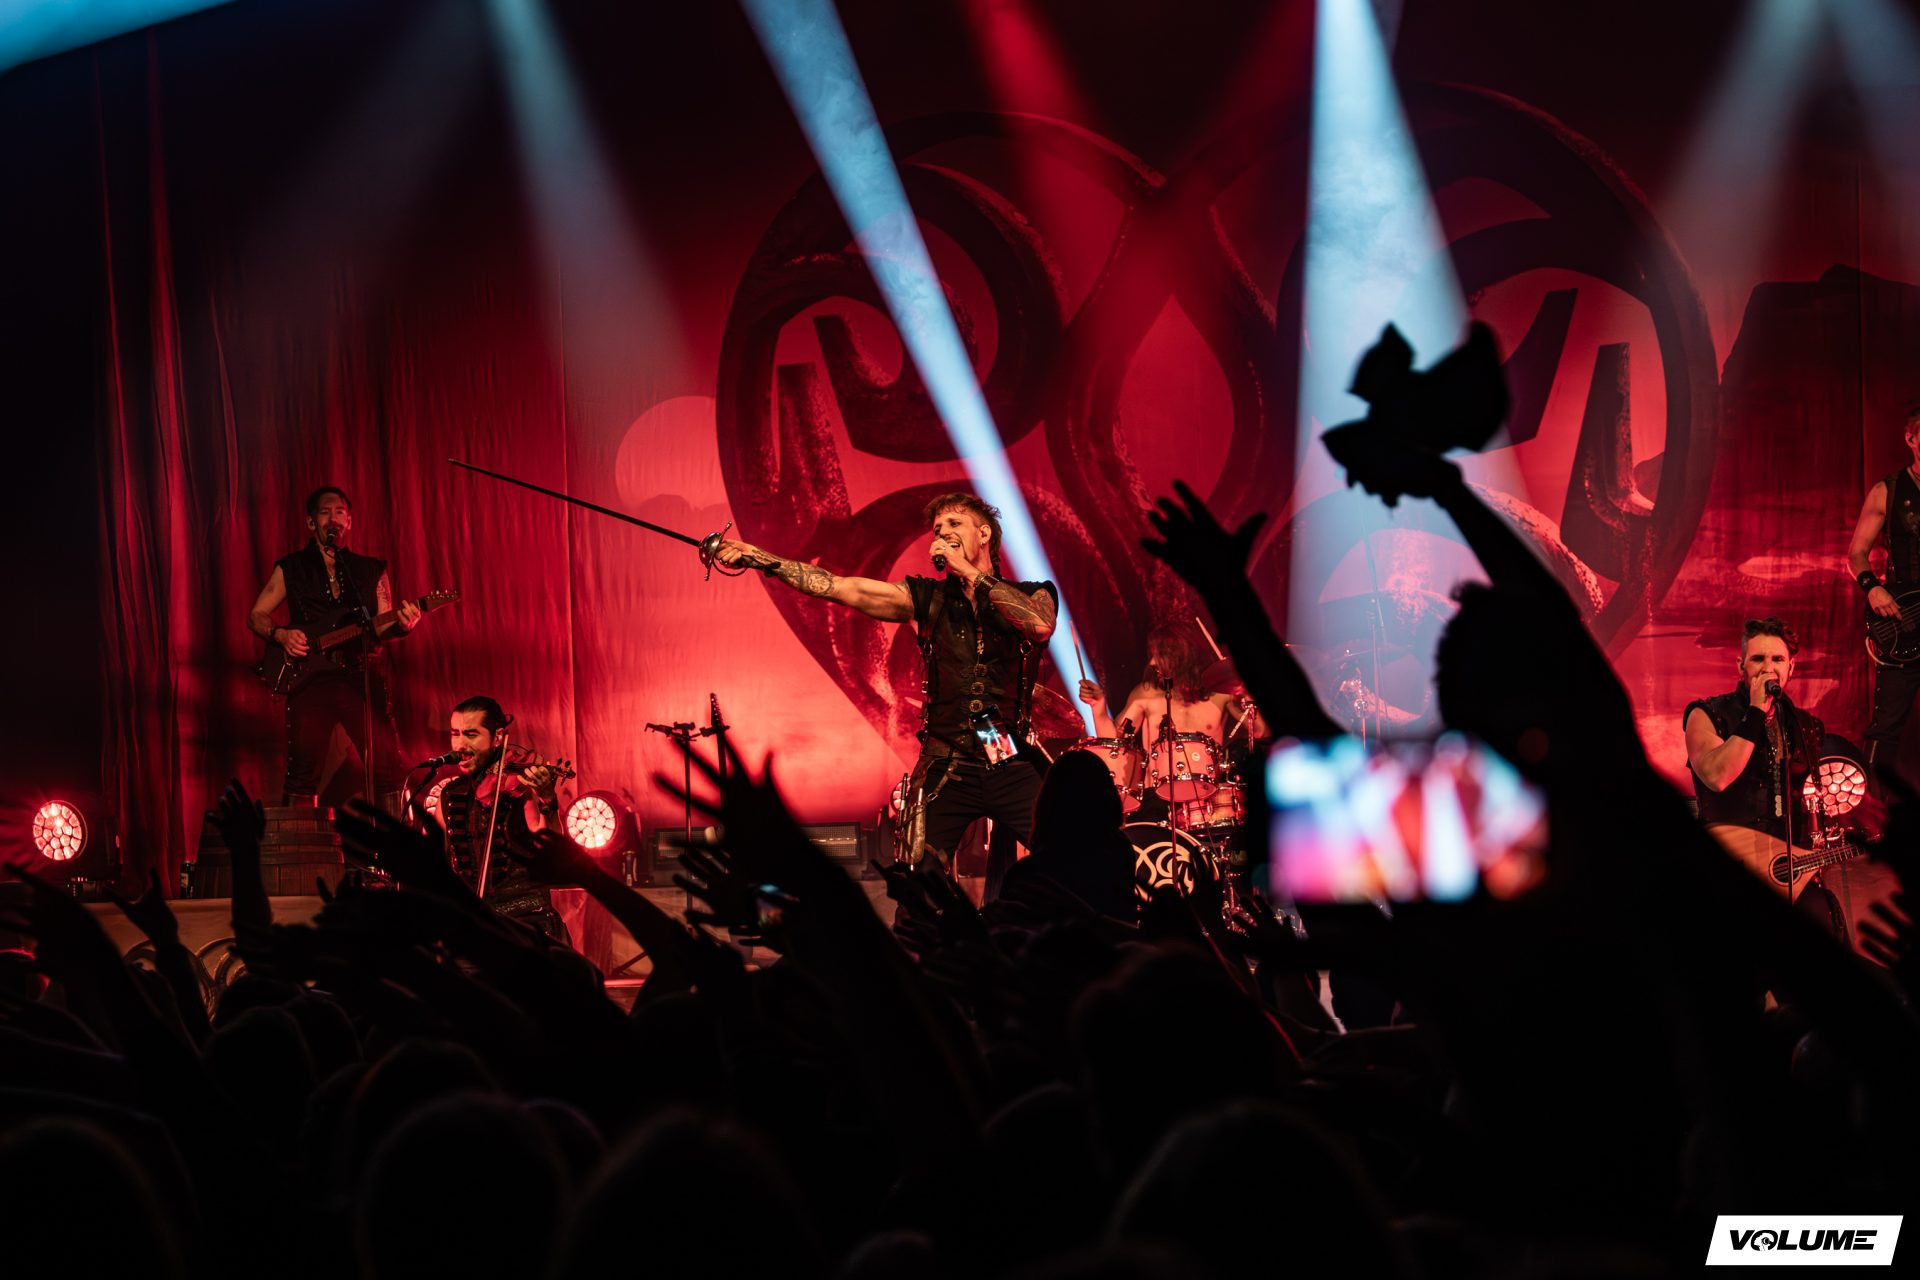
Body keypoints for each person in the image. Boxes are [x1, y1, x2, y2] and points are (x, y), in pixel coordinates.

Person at [714, 493, 1056, 871]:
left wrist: (971, 573)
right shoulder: (925, 597)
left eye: (954, 524)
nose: (942, 533)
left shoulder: (1033, 593)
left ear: (984, 534)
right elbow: (837, 586)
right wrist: (761, 558)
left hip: (1006, 758)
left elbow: (1039, 625)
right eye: (937, 529)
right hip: (946, 765)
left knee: (1067, 855)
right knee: (917, 876)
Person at [247, 485, 420, 808]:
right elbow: (256, 615)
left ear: (349, 522)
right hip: (311, 679)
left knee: (386, 767)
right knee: (302, 771)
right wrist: (281, 635)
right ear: (311, 522)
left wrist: (403, 625)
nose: (333, 518)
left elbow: (381, 626)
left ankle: (396, 838)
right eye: (325, 512)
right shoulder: (291, 567)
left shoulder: (370, 569)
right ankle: (300, 839)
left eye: (340, 512)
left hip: (360, 676)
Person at [1683, 618, 1826, 895]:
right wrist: (1756, 711)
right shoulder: (1706, 714)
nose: (1768, 668)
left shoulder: (1805, 725)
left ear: (1791, 668)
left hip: (1786, 869)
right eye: (1758, 658)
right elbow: (1716, 776)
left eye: (1778, 659)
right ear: (1741, 666)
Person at [433, 694, 571, 942]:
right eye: (455, 733)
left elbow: (552, 851)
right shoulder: (449, 795)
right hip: (474, 928)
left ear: (497, 738)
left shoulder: (521, 788)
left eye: (471, 735)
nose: (460, 745)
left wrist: (547, 800)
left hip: (527, 926)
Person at [1845, 405, 1920, 777]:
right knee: (1886, 726)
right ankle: (1873, 806)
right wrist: (1872, 588)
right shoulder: (1887, 491)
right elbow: (1856, 554)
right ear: (1911, 438)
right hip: (1903, 620)